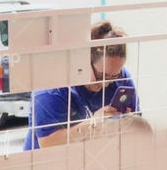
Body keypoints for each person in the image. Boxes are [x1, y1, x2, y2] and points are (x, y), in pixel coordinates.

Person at [24, 21, 140, 150]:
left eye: (114, 76)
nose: (106, 83)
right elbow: (48, 143)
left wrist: (127, 122)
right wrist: (93, 123)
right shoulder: (52, 87)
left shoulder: (121, 78)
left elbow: (138, 125)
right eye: (102, 75)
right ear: (83, 61)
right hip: (49, 162)